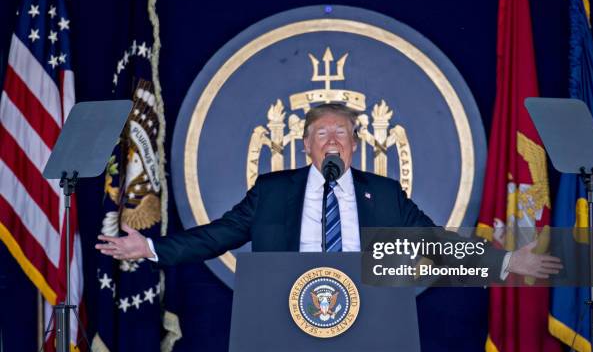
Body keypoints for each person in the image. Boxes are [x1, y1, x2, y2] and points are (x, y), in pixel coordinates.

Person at [96, 103, 562, 279]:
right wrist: (152, 247)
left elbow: (435, 240)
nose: (332, 140)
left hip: (371, 313)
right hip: (285, 312)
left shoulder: (384, 192)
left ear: (355, 145)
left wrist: (503, 260)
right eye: (322, 134)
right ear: (306, 145)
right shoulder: (273, 190)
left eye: (341, 133)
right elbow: (218, 235)